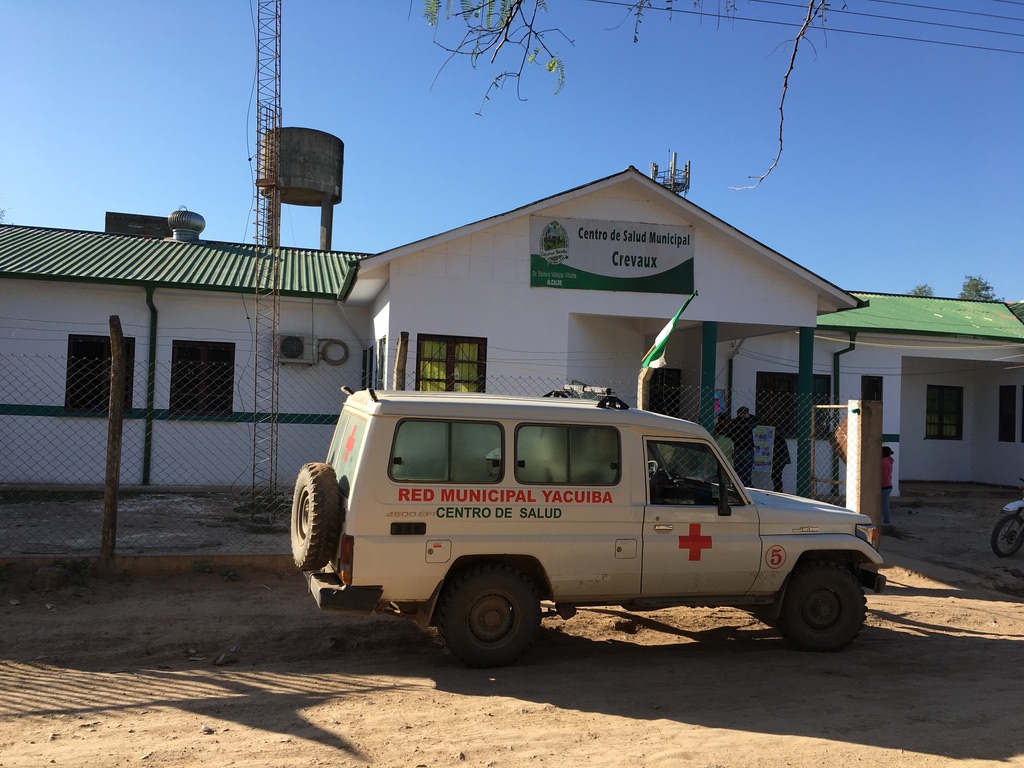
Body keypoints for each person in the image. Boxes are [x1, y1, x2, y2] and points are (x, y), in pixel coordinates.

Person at [727, 406, 757, 486]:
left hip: (740, 448)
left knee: (739, 470)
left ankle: (738, 485)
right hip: (745, 449)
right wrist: (748, 417)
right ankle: (745, 486)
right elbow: (757, 420)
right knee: (745, 471)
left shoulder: (735, 422)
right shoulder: (748, 422)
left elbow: (729, 434)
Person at [881, 446, 895, 525]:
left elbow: (884, 476)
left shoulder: (883, 462)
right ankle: (886, 520)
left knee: (884, 505)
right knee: (885, 504)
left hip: (884, 486)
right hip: (888, 485)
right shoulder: (889, 462)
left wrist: (879, 484)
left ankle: (886, 520)